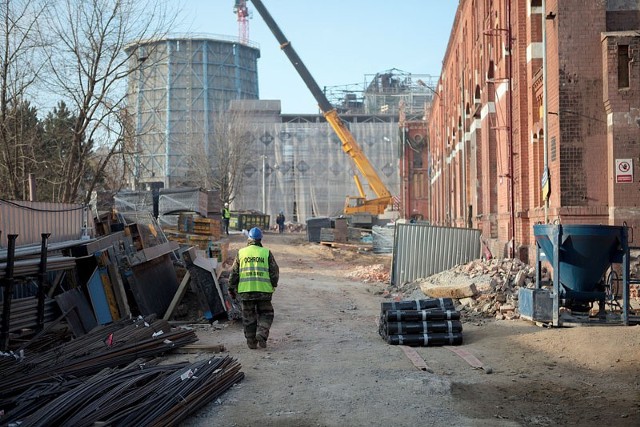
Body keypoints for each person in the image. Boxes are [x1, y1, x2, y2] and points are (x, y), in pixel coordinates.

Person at [228, 227, 279, 349]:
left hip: (246, 291)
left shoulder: (241, 253)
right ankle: (261, 332)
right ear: (260, 239)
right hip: (264, 291)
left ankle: (251, 342)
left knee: (248, 317)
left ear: (249, 239)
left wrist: (231, 288)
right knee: (266, 313)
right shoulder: (266, 253)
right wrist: (273, 284)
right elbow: (274, 272)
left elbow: (234, 273)